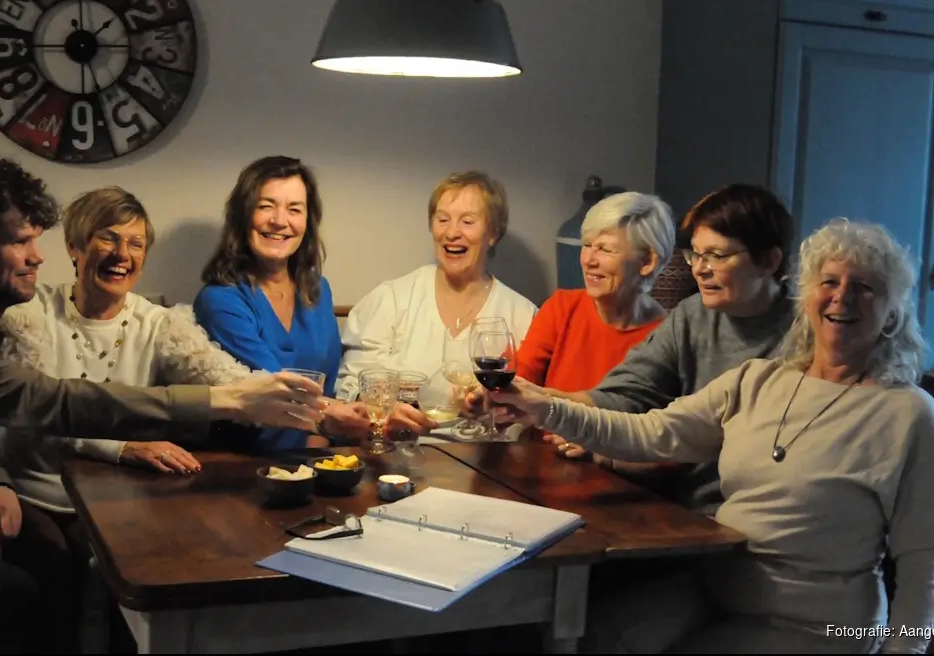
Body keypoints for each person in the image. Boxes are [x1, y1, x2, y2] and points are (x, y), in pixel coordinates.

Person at [0, 158, 323, 654]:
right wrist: (226, 400)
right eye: (19, 241)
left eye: (35, 239)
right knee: (10, 595)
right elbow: (48, 400)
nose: (37, 256)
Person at [489, 219, 934, 654]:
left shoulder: (911, 416)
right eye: (829, 282)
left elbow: (926, 559)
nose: (842, 297)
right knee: (597, 633)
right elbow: (651, 432)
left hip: (813, 625)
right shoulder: (758, 380)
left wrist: (905, 649)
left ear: (891, 316)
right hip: (715, 588)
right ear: (807, 298)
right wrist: (545, 409)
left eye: (865, 288)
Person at [0, 186, 260, 651]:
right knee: (56, 569)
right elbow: (33, 418)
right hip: (34, 491)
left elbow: (233, 383)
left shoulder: (160, 324)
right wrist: (123, 448)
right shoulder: (30, 315)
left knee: (159, 567)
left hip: (117, 497)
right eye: (108, 239)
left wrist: (321, 409)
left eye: (136, 244)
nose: (122, 254)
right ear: (75, 247)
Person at [534, 184, 796, 516]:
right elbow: (630, 389)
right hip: (687, 510)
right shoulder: (692, 315)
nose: (699, 268)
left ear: (769, 261)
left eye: (716, 256)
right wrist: (538, 400)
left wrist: (549, 409)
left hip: (756, 513)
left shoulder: (806, 332)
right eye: (695, 254)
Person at [196, 156, 431, 452]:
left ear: (307, 222)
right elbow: (277, 392)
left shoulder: (318, 289)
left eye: (294, 209)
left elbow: (329, 385)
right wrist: (360, 417)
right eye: (266, 206)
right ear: (243, 215)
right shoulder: (219, 300)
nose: (280, 220)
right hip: (242, 461)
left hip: (314, 453)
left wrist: (328, 441)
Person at [338, 170, 538, 399]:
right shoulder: (391, 299)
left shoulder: (522, 316)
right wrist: (387, 401)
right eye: (442, 220)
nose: (451, 233)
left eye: (467, 221)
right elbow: (351, 388)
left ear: (493, 233)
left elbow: (533, 400)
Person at [517, 191, 673, 392]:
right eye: (587, 245)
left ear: (647, 262)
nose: (588, 260)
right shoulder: (563, 308)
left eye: (605, 249)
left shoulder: (665, 338)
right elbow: (522, 373)